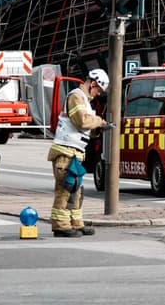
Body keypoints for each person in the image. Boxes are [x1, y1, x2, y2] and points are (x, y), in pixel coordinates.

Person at [48, 68, 108, 237]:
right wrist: (99, 121)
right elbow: (81, 121)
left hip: (74, 152)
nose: (97, 94)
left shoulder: (85, 101)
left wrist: (98, 130)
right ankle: (60, 226)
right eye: (98, 90)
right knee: (65, 189)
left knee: (76, 189)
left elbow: (84, 128)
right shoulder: (76, 96)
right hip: (65, 151)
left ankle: (76, 223)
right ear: (93, 84)